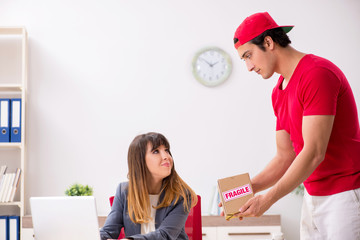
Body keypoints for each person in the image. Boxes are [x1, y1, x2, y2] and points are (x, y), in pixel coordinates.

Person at [229, 12, 360, 239]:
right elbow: (284, 156)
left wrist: (267, 199)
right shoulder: (278, 90)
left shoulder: (316, 74)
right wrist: (241, 191)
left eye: (249, 55)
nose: (249, 67)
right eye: (244, 60)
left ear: (268, 42)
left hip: (345, 195)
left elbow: (313, 152)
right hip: (312, 197)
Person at [100, 132, 198, 240]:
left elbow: (165, 235)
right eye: (156, 151)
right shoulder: (124, 191)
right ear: (140, 160)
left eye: (166, 150)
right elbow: (108, 231)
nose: (166, 156)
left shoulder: (181, 195)